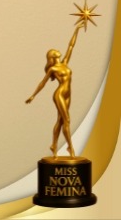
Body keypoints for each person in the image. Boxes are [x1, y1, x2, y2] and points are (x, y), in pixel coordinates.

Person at [25, 19, 88, 158]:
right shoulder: (53, 69)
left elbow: (71, 46)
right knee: (67, 121)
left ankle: (54, 145)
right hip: (59, 94)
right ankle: (70, 148)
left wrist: (76, 30)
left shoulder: (65, 63)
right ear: (52, 56)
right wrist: (33, 95)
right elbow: (43, 82)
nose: (57, 51)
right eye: (54, 51)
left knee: (60, 121)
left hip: (68, 94)